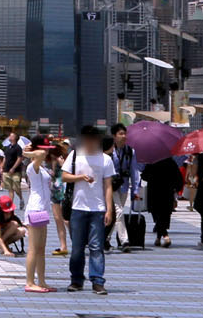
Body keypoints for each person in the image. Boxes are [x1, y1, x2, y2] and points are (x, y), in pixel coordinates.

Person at [62, 124, 118, 295]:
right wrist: (80, 177)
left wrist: (109, 210)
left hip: (98, 209)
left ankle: (97, 281)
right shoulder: (74, 155)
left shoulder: (105, 159)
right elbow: (64, 176)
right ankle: (76, 280)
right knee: (77, 247)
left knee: (96, 247)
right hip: (78, 207)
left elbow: (108, 186)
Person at [19, 145, 59, 293]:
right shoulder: (32, 167)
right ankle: (30, 282)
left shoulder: (41, 168)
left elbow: (43, 154)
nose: (46, 152)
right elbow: (41, 153)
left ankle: (41, 280)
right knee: (33, 248)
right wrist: (27, 152)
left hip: (43, 209)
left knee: (41, 249)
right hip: (35, 209)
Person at [112, 129, 144, 252]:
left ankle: (107, 239)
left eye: (125, 134)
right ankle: (125, 240)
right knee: (119, 211)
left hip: (124, 186)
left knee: (116, 214)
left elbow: (134, 171)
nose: (124, 136)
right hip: (110, 187)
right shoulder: (110, 151)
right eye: (120, 133)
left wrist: (135, 190)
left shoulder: (130, 151)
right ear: (114, 136)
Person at [143, 153, 185, 248]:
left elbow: (145, 175)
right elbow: (179, 179)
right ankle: (158, 238)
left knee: (157, 215)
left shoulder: (152, 162)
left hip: (155, 193)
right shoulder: (171, 162)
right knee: (164, 215)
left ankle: (165, 236)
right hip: (167, 193)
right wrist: (176, 190)